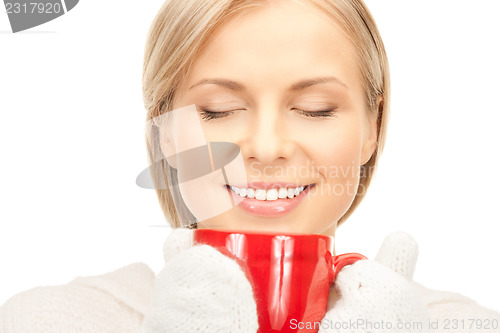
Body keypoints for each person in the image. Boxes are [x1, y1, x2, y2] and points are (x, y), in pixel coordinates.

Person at [1, 0, 498, 332]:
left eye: (315, 108)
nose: (265, 147)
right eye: (217, 110)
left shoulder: (458, 325)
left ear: (373, 126)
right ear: (165, 133)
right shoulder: (52, 320)